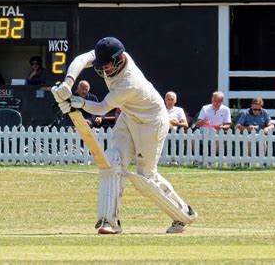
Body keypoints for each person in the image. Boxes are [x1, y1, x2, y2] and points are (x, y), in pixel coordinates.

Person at [52, 37, 197, 234]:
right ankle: (109, 222)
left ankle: (184, 215)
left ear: (119, 59)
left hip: (151, 123)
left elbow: (102, 108)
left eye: (107, 66)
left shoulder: (129, 82)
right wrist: (68, 83)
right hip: (129, 116)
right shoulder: (109, 57)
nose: (104, 71)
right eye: (100, 66)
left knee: (146, 178)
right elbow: (81, 59)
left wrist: (78, 102)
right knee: (112, 161)